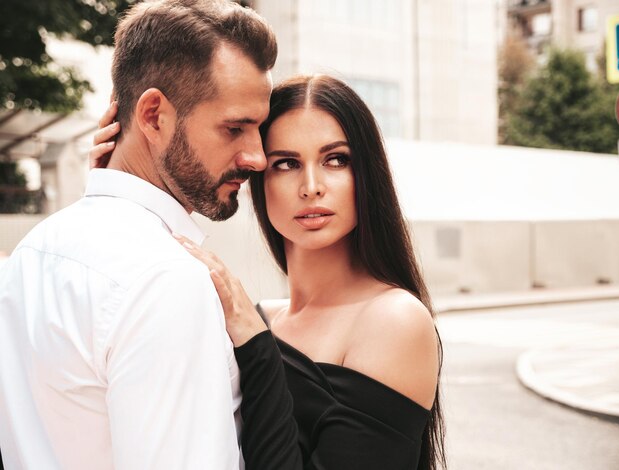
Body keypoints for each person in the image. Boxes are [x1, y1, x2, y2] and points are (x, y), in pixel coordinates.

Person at [92, 74, 446, 469]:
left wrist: (259, 349)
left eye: (336, 160)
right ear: (258, 178)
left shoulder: (393, 320)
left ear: (366, 174)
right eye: (286, 164)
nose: (311, 187)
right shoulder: (253, 317)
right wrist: (115, 190)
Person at [0, 1, 276, 468]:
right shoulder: (165, 278)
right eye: (235, 128)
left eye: (260, 129)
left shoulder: (33, 253)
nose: (257, 157)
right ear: (152, 116)